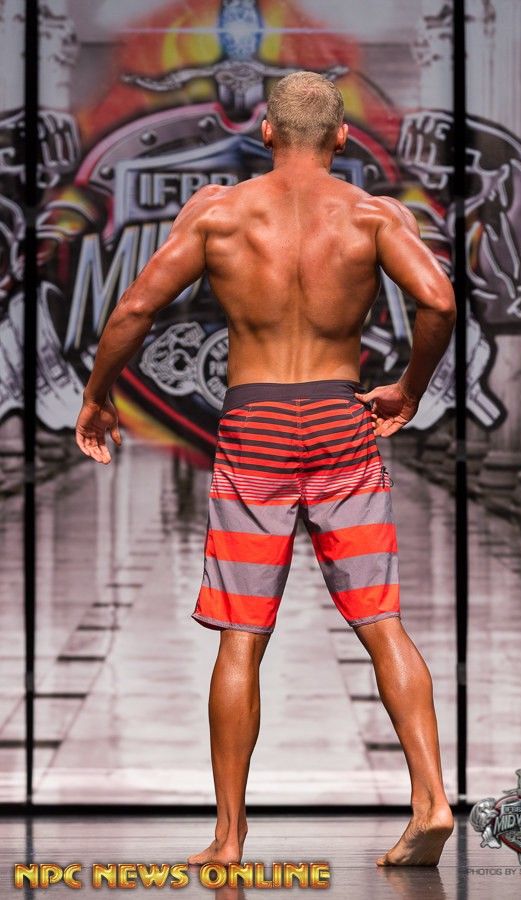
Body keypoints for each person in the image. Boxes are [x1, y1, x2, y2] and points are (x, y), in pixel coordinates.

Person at [75, 71, 457, 867]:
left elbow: (136, 307)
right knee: (380, 621)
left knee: (241, 638)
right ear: (342, 136)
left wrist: (98, 394)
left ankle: (228, 837)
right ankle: (431, 800)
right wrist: (410, 389)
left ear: (268, 132)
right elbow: (440, 301)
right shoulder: (372, 215)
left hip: (255, 430)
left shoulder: (219, 213)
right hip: (340, 421)